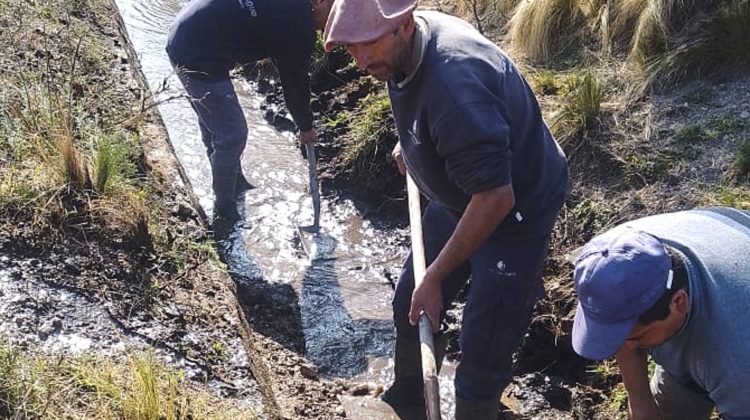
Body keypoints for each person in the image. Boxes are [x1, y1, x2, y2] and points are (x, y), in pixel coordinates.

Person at [324, 2, 569, 418]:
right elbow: (423, 105)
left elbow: (496, 198)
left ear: (403, 26)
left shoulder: (455, 89)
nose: (362, 60)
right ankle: (407, 400)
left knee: (483, 346)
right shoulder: (405, 46)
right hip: (461, 195)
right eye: (351, 50)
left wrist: (435, 278)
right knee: (410, 301)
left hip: (514, 213)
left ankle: (476, 409)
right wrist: (416, 145)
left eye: (368, 45)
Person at [571, 207, 750, 420]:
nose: (623, 347)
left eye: (635, 337)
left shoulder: (736, 360)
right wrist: (640, 403)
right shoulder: (613, 258)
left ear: (678, 303)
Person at [166, 0, 333, 222]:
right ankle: (224, 208)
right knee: (233, 134)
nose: (333, 25)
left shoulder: (293, 10)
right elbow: (294, 79)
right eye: (335, 12)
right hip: (197, 51)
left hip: (187, 30)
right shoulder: (299, 22)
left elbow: (281, 55)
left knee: (216, 122)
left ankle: (235, 181)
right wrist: (306, 126)